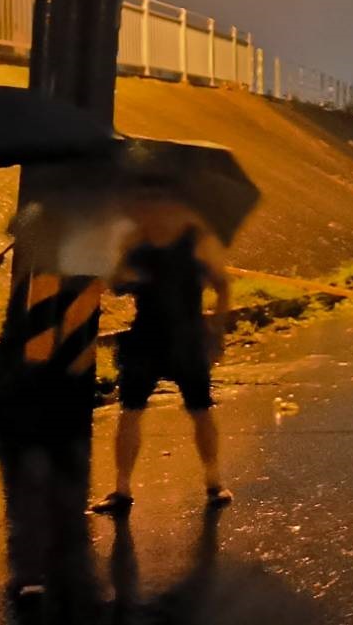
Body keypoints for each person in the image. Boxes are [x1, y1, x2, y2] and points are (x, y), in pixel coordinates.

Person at [0, 198, 124, 617]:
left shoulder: (38, 274)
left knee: (30, 487)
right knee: (55, 484)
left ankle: (37, 576)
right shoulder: (84, 267)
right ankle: (60, 577)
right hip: (55, 393)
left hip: (29, 393)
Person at [89, 197, 234, 516]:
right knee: (130, 411)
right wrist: (119, 260)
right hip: (146, 337)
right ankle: (121, 490)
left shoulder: (197, 238)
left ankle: (214, 483)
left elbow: (222, 284)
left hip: (188, 338)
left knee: (200, 409)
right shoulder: (135, 240)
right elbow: (116, 286)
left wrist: (216, 332)